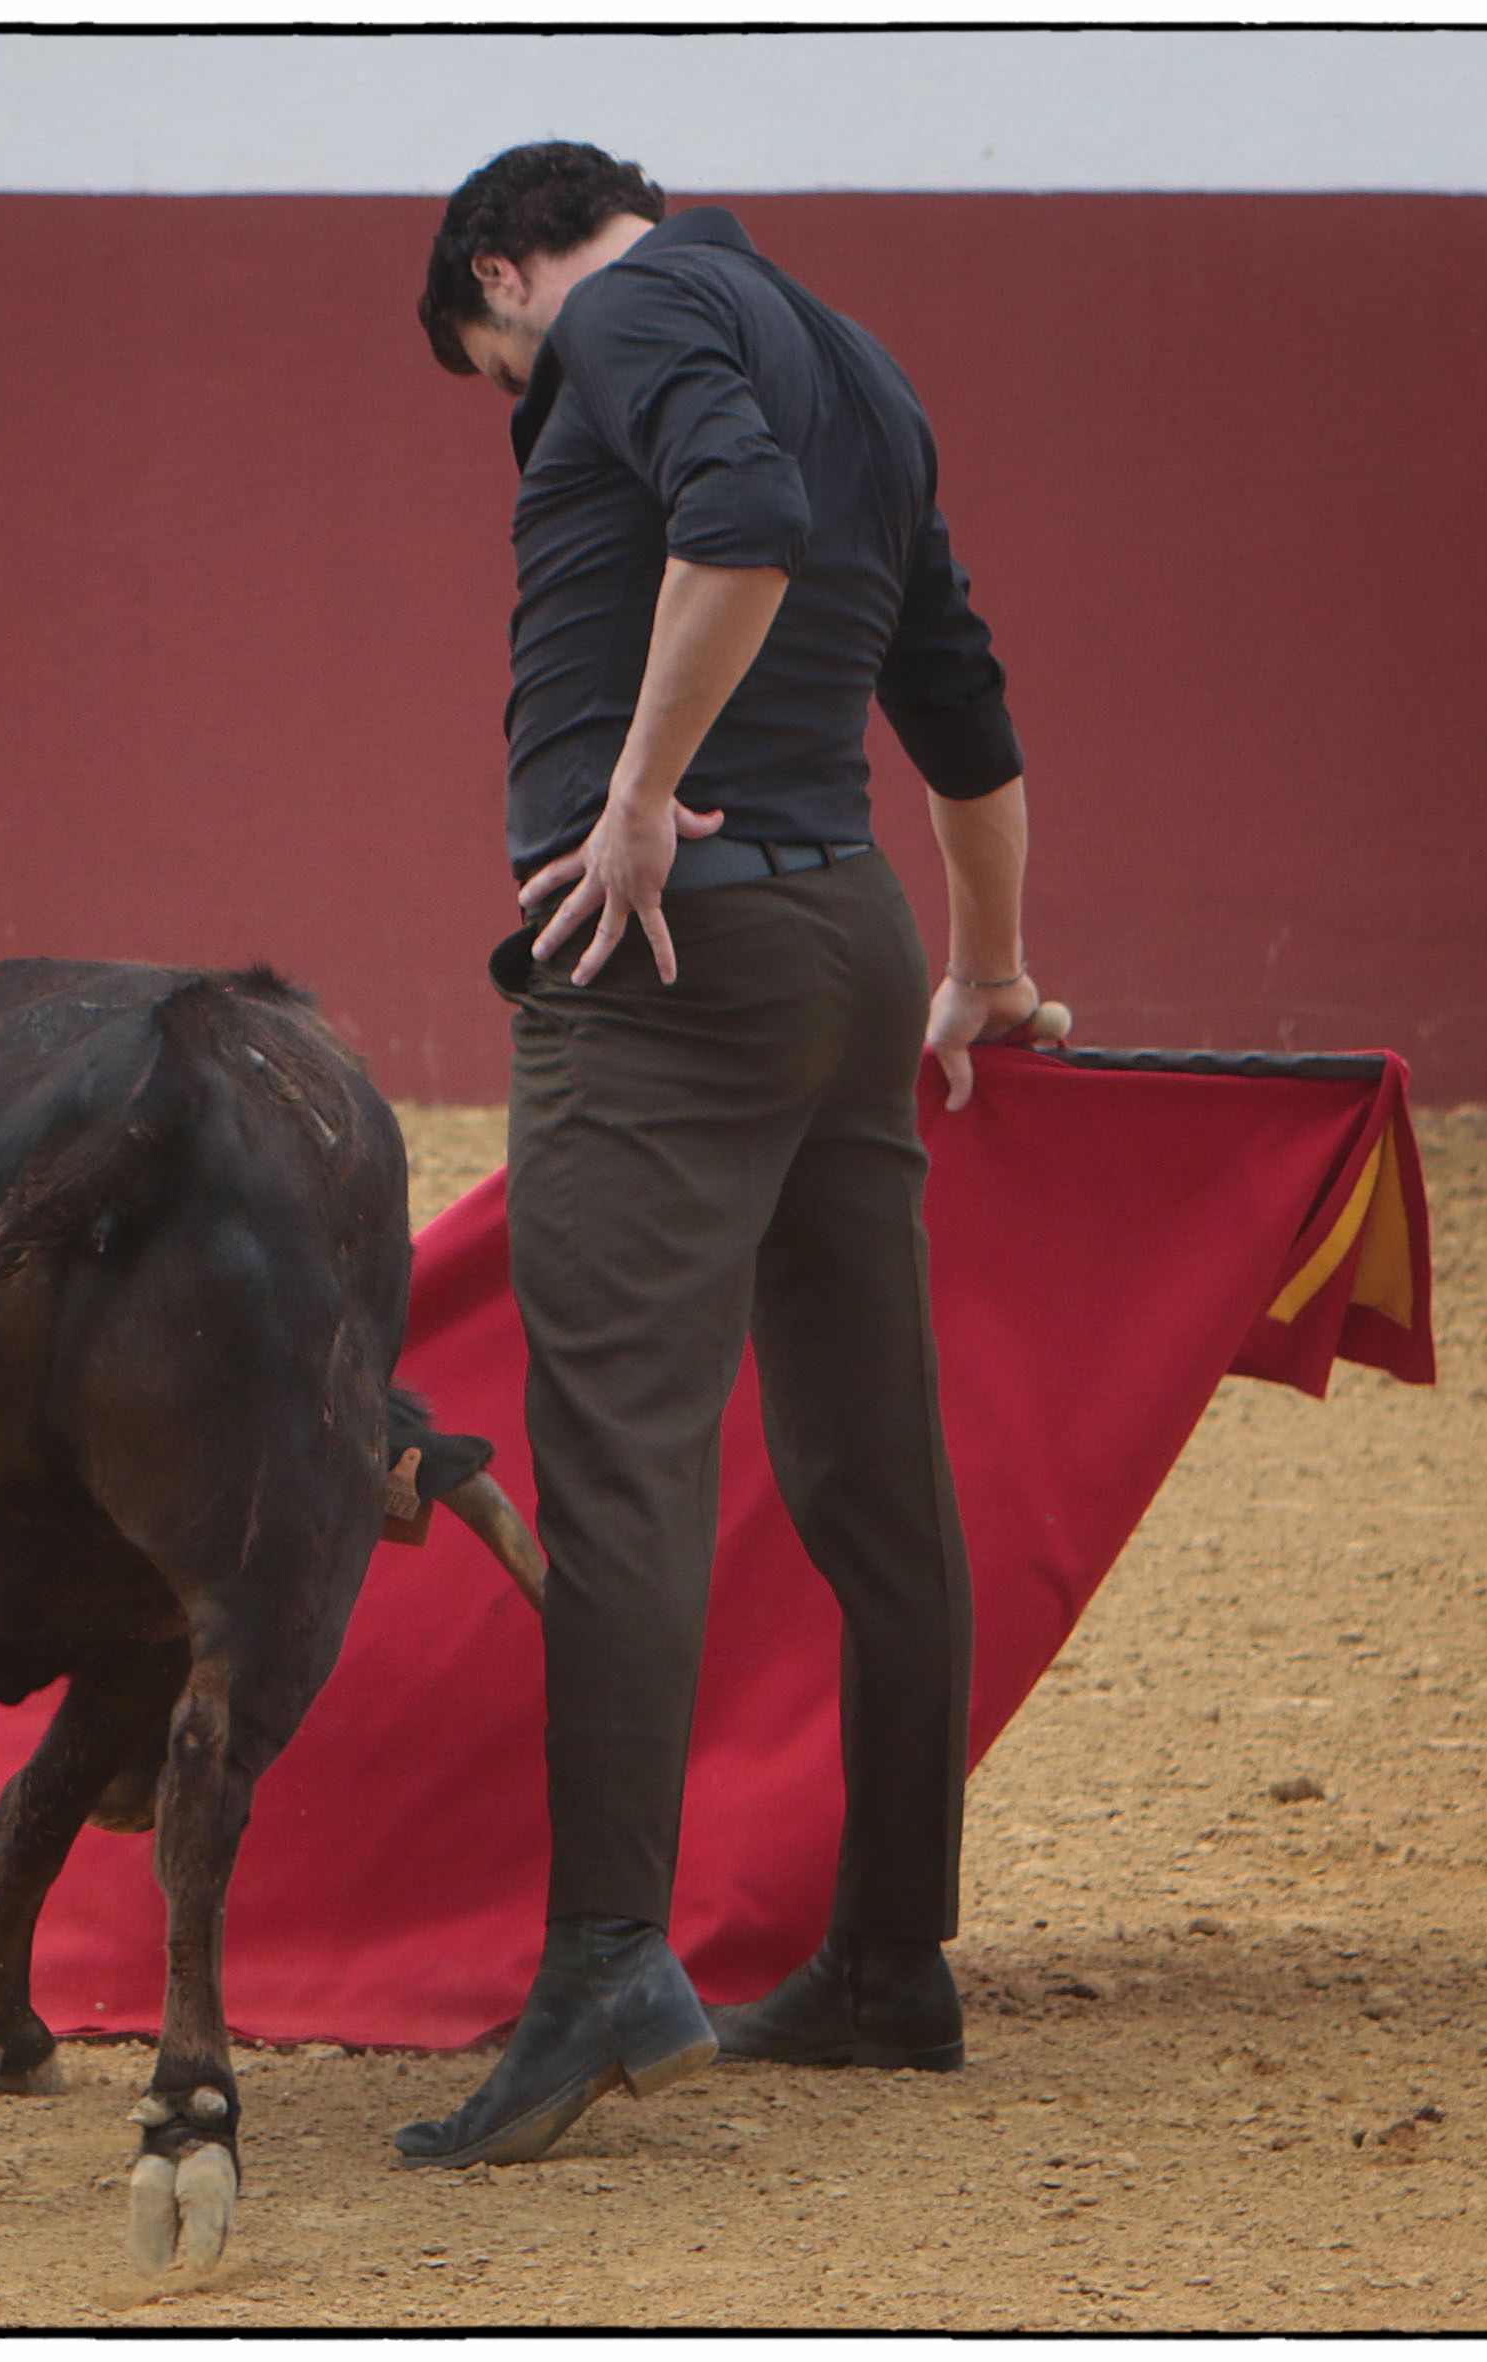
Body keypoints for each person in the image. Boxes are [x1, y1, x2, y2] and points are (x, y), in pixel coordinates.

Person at [393, 142, 1039, 2171]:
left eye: (498, 366)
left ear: (505, 272)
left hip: (668, 954)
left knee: (620, 1454)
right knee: (869, 1467)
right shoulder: (859, 361)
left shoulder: (623, 309)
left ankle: (602, 1959)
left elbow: (735, 525)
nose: (528, 402)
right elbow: (953, 701)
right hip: (848, 936)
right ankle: (883, 1953)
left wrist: (635, 799)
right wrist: (987, 968)